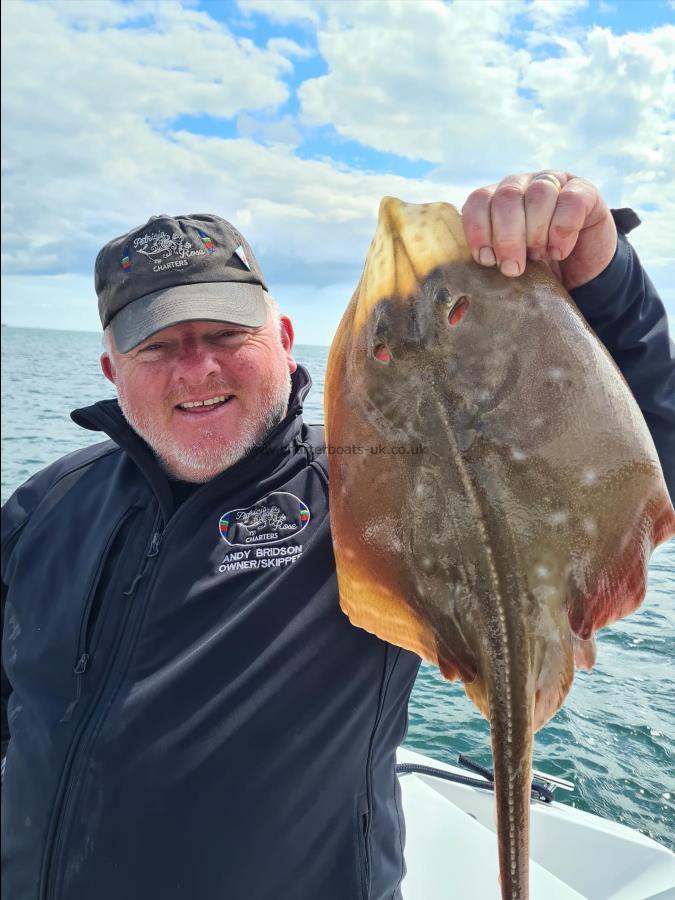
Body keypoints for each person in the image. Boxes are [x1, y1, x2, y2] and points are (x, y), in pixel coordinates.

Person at [2, 172, 673, 900]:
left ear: (285, 340)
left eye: (227, 334)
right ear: (111, 369)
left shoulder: (353, 488)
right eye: (156, 347)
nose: (197, 368)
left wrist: (604, 279)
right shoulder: (46, 507)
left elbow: (638, 450)